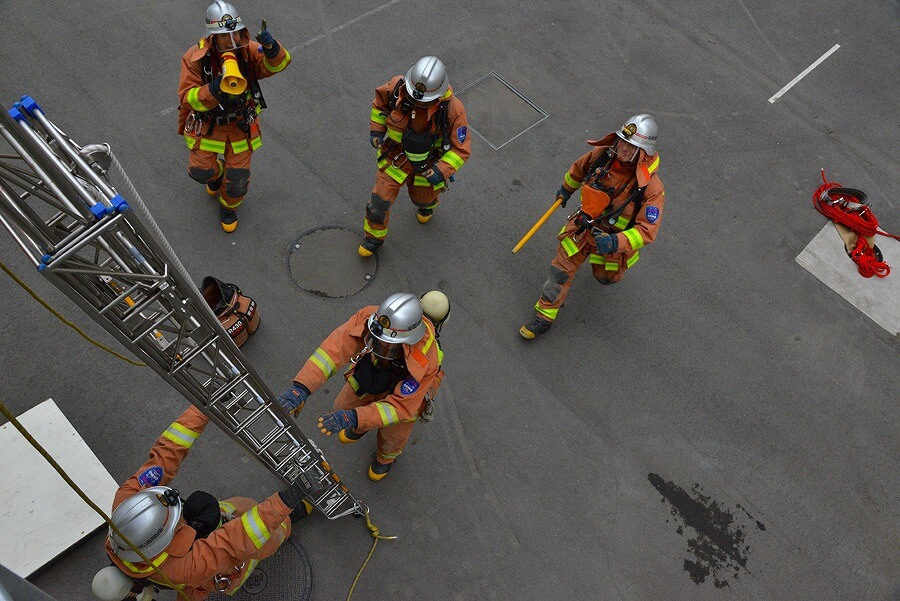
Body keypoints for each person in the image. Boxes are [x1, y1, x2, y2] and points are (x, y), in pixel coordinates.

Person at [100, 405, 313, 600]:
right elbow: (235, 541)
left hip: (195, 567)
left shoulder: (129, 503)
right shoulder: (183, 568)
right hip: (216, 570)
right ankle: (289, 521)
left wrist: (202, 410)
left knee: (235, 511)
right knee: (265, 540)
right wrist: (286, 501)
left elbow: (166, 454)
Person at [519, 114, 666, 339]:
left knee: (606, 277)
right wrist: (566, 189)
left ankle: (608, 272)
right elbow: (579, 169)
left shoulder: (651, 188)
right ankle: (543, 317)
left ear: (643, 153)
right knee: (560, 271)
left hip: (612, 244)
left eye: (631, 147)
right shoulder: (601, 157)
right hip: (582, 228)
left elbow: (647, 230)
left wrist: (615, 242)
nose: (624, 150)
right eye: (622, 142)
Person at [279, 292, 448, 481]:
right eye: (378, 340)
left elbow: (400, 407)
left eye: (388, 346)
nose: (381, 346)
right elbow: (332, 351)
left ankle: (384, 460)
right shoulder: (372, 318)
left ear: (408, 341)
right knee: (343, 406)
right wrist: (303, 386)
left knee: (393, 436)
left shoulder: (427, 359)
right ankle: (360, 428)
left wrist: (356, 417)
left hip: (405, 397)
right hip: (372, 374)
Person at [177, 1, 291, 232]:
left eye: (234, 34)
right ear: (212, 37)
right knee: (200, 171)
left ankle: (228, 207)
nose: (231, 42)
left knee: (238, 181)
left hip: (241, 125)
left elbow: (279, 65)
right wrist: (214, 90)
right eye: (223, 37)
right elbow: (187, 97)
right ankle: (216, 175)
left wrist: (272, 50)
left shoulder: (247, 50)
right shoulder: (194, 58)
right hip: (209, 125)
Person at [358, 57, 471, 256]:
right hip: (396, 159)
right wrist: (376, 130)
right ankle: (373, 238)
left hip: (428, 167)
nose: (417, 102)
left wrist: (440, 171)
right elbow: (379, 106)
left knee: (423, 198)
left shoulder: (453, 110)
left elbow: (461, 149)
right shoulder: (397, 88)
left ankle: (426, 207)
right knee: (379, 201)